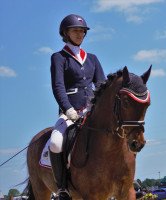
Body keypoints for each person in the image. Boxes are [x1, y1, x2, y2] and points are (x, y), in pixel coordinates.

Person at [49, 14, 106, 200]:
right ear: (65, 33)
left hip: (92, 111)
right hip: (70, 112)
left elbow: (101, 86)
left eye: (82, 31)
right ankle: (63, 187)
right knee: (56, 143)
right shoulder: (59, 58)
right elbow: (58, 86)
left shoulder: (92, 58)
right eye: (75, 30)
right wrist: (68, 109)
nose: (80, 33)